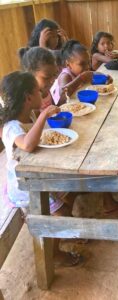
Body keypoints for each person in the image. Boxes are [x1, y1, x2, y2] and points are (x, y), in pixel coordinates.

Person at [0, 71, 82, 266]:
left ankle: (65, 236)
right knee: (59, 216)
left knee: (67, 203)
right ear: (28, 97)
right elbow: (27, 145)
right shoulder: (12, 126)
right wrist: (44, 114)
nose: (43, 93)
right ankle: (54, 256)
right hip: (24, 187)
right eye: (38, 91)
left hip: (36, 177)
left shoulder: (27, 116)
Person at [50, 40, 95, 105]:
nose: (87, 66)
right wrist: (80, 78)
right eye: (82, 64)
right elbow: (63, 97)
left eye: (88, 62)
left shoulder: (80, 72)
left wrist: (106, 77)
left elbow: (94, 74)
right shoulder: (65, 76)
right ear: (68, 65)